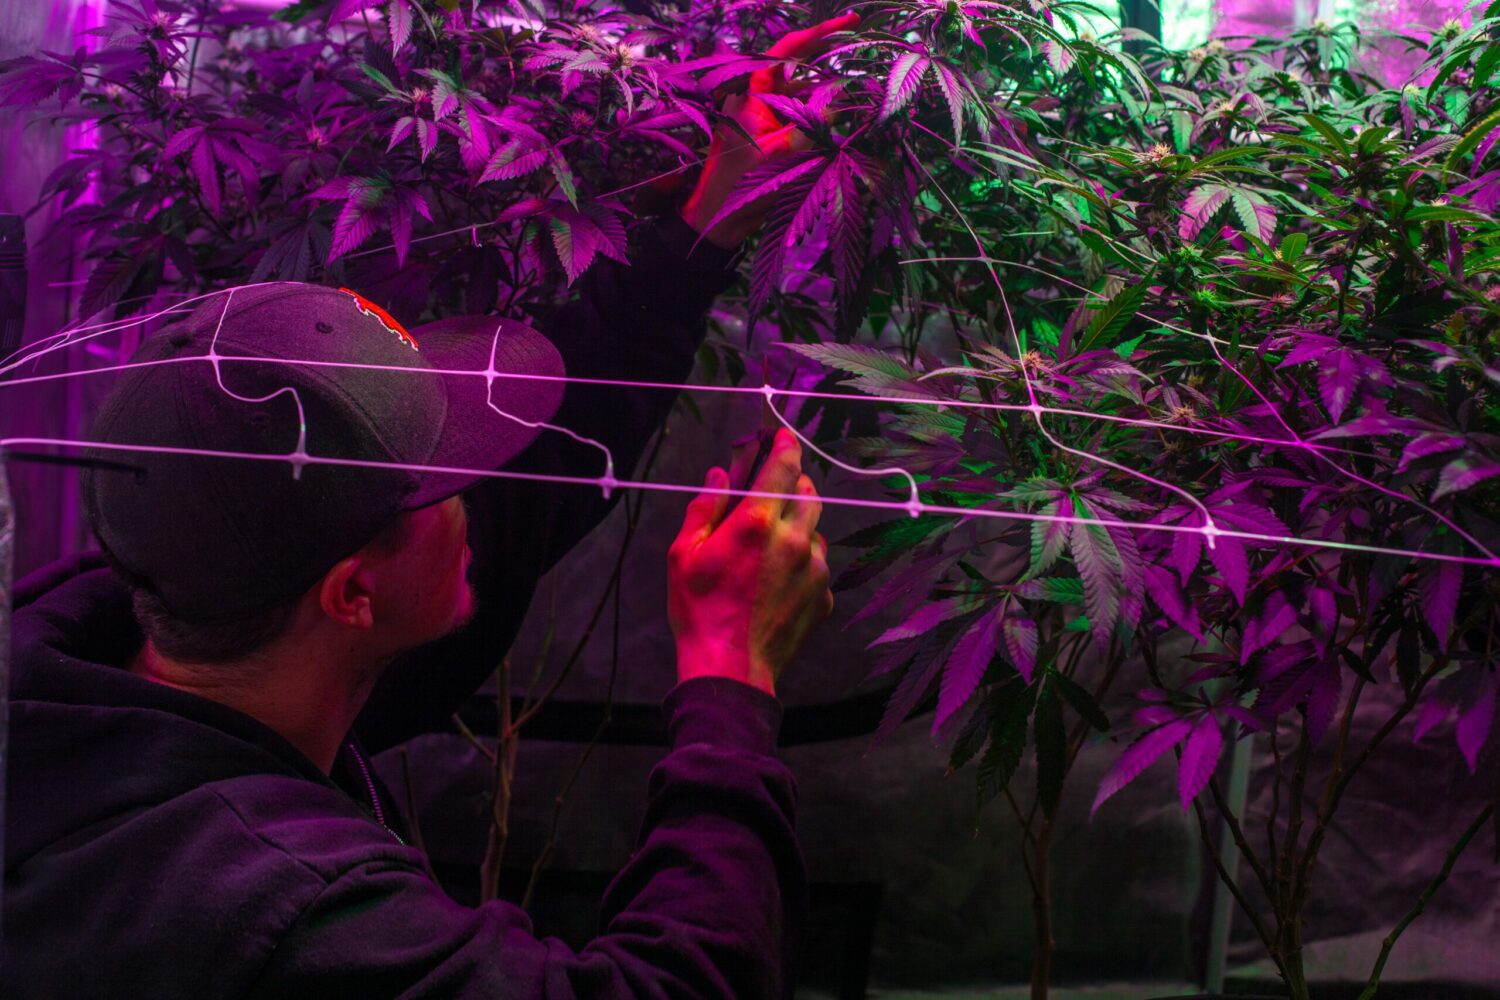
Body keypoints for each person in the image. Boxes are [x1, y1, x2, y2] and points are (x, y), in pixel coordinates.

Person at [2, 13, 857, 998]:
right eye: (448, 478)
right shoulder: (275, 909)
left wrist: (702, 229)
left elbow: (521, 511)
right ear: (353, 593)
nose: (487, 485)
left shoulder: (115, 654)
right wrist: (730, 675)